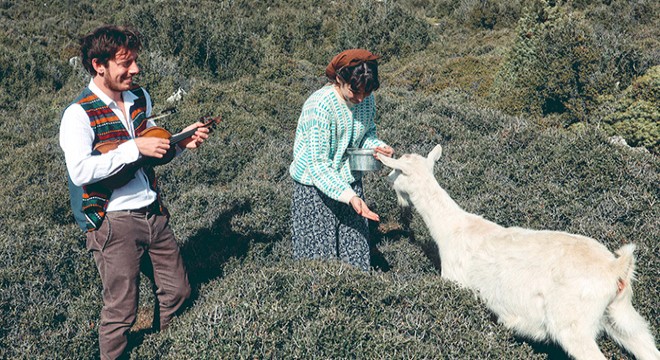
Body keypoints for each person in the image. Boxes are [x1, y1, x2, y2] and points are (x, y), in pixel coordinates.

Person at [59, 25, 209, 359]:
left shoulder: (140, 98)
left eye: (135, 61)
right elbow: (80, 171)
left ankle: (165, 350)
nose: (135, 69)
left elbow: (148, 154)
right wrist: (133, 146)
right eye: (125, 63)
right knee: (121, 311)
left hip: (152, 212)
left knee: (178, 292)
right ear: (99, 65)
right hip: (112, 220)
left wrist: (181, 142)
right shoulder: (78, 114)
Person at [289, 49, 394, 271]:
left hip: (349, 182)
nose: (360, 98)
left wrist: (377, 146)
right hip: (314, 191)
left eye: (366, 92)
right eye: (354, 91)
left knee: (355, 253)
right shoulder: (320, 106)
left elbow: (365, 133)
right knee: (317, 263)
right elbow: (317, 166)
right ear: (339, 79)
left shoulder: (366, 99)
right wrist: (349, 196)